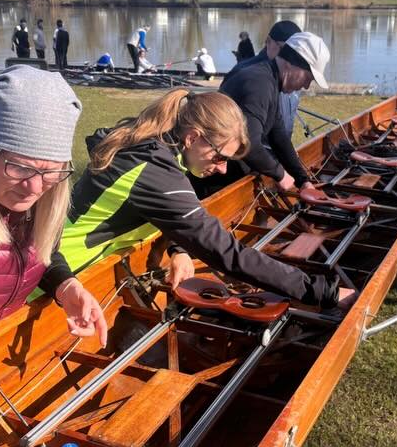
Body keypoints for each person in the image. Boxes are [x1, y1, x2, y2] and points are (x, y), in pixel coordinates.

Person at [59, 88, 354, 310]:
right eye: (219, 157)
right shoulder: (155, 171)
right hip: (56, 271)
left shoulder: (157, 147)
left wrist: (178, 247)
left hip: (66, 264)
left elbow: (157, 208)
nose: (223, 169)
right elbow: (227, 253)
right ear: (193, 137)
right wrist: (321, 291)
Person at [0, 66, 107, 342]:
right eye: (20, 168)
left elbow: (42, 252)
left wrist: (66, 285)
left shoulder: (42, 194)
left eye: (51, 172)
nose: (34, 188)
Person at [197, 31, 331, 197]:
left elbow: (278, 135)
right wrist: (280, 174)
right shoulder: (259, 83)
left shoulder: (269, 80)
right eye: (308, 77)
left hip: (230, 172)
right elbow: (248, 142)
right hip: (212, 178)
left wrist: (302, 179)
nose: (306, 86)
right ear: (292, 64)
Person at [227, 21, 302, 134]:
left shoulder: (294, 74)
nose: (290, 58)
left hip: (279, 146)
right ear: (268, 41)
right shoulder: (244, 72)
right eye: (284, 49)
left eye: (295, 53)